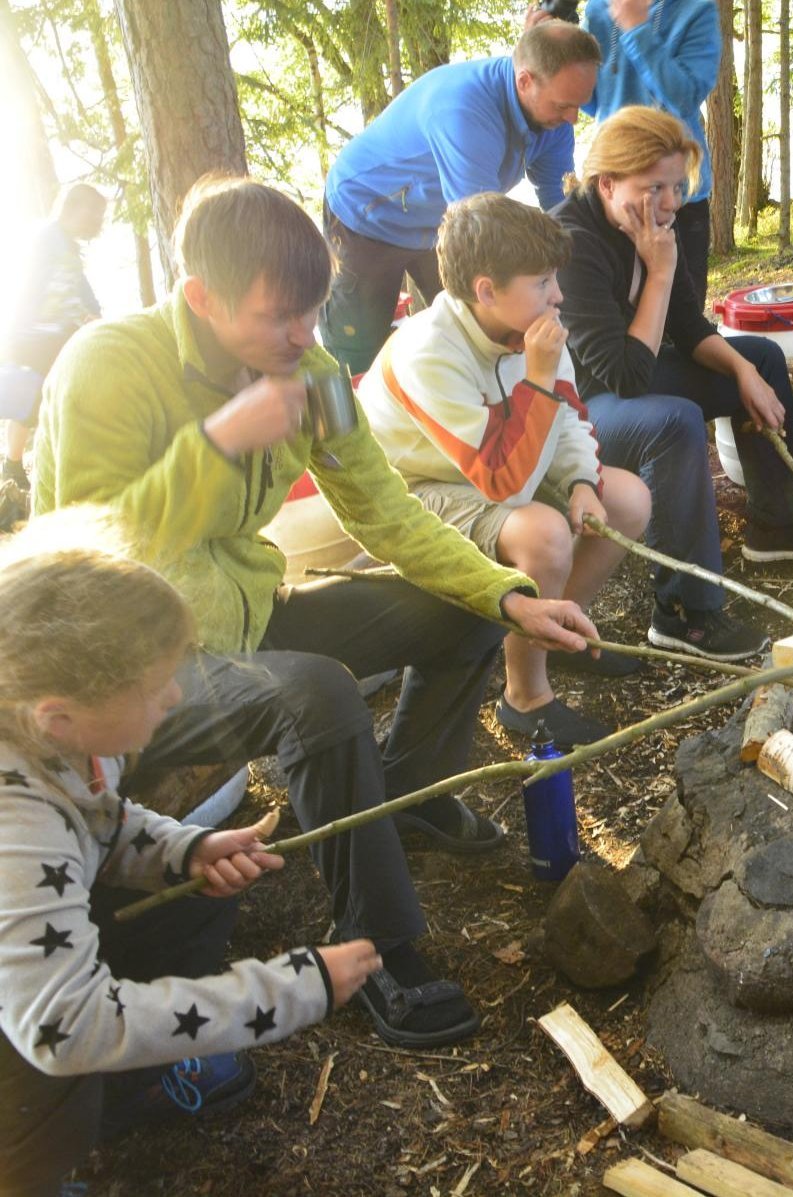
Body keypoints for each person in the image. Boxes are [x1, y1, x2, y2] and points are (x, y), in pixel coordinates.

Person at [33, 176, 599, 1049]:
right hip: (133, 662)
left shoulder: (318, 371)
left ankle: (402, 796)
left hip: (255, 606)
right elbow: (85, 553)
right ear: (201, 300)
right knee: (318, 696)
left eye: (314, 311)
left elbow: (385, 511)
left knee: (464, 611)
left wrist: (508, 594)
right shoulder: (109, 365)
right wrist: (222, 442)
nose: (304, 338)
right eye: (277, 320)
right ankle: (380, 945)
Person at [0, 538, 383, 1197]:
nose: (175, 695)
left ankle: (122, 1091)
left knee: (195, 894)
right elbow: (67, 1028)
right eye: (154, 688)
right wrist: (292, 988)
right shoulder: (17, 828)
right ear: (56, 716)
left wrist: (181, 851)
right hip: (39, 1018)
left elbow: (99, 818)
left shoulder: (57, 734)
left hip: (32, 962)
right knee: (44, 1099)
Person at [552, 105, 793, 653]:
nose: (668, 202)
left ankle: (778, 526)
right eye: (653, 187)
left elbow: (688, 326)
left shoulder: (654, 222)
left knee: (759, 358)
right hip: (573, 409)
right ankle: (685, 611)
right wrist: (659, 272)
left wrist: (743, 374)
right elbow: (624, 376)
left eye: (675, 186)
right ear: (607, 182)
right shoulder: (571, 242)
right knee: (674, 420)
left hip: (624, 379)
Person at [361, 194, 653, 745]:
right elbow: (503, 482)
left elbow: (566, 420)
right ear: (486, 291)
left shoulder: (531, 329)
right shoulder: (427, 352)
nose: (558, 295)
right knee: (543, 534)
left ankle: (562, 631)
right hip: (421, 488)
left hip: (499, 460)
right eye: (542, 282)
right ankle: (526, 694)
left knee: (629, 500)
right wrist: (538, 377)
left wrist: (582, 483)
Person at [320, 21, 603, 375]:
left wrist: (586, 269)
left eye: (579, 105)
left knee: (472, 332)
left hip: (436, 222)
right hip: (367, 218)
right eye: (563, 106)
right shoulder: (464, 109)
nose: (572, 119)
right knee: (358, 350)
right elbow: (481, 229)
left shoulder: (554, 123)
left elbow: (559, 206)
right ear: (525, 81)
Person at [540, 0, 724, 307]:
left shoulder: (696, 9)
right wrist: (552, 49)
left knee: (683, 314)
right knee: (618, 310)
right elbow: (592, 100)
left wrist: (637, 30)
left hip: (677, 196)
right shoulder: (599, 10)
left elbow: (685, 97)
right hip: (616, 195)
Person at [2, 183, 107, 493]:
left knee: (46, 400)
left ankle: (21, 464)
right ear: (76, 207)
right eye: (96, 213)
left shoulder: (67, 246)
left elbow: (79, 289)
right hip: (35, 336)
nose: (98, 222)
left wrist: (93, 314)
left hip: (52, 338)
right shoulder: (48, 238)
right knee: (29, 399)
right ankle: (13, 464)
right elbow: (36, 284)